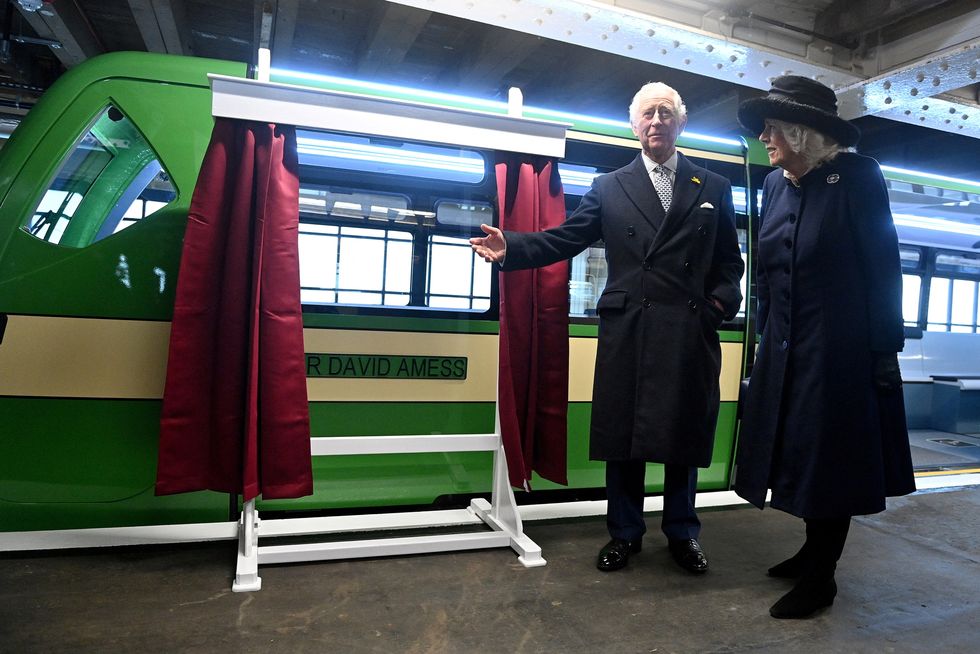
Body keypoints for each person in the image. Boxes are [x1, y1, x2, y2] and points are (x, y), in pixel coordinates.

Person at [471, 82, 744, 575]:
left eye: (666, 112)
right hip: (630, 329)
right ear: (634, 125)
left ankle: (683, 533)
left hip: (688, 330)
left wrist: (717, 306)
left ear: (681, 124)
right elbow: (567, 237)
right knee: (626, 437)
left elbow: (730, 263)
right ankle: (625, 533)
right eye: (647, 114)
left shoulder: (714, 187)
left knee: (682, 436)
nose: (656, 120)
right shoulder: (609, 187)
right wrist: (512, 246)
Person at [734, 76, 916, 619]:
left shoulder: (858, 177)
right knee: (794, 454)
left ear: (801, 131)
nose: (764, 135)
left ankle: (822, 578)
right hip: (785, 348)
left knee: (829, 463)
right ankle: (811, 550)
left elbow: (884, 268)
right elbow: (765, 269)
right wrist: (764, 333)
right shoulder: (774, 185)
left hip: (839, 352)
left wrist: (884, 351)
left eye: (772, 126)